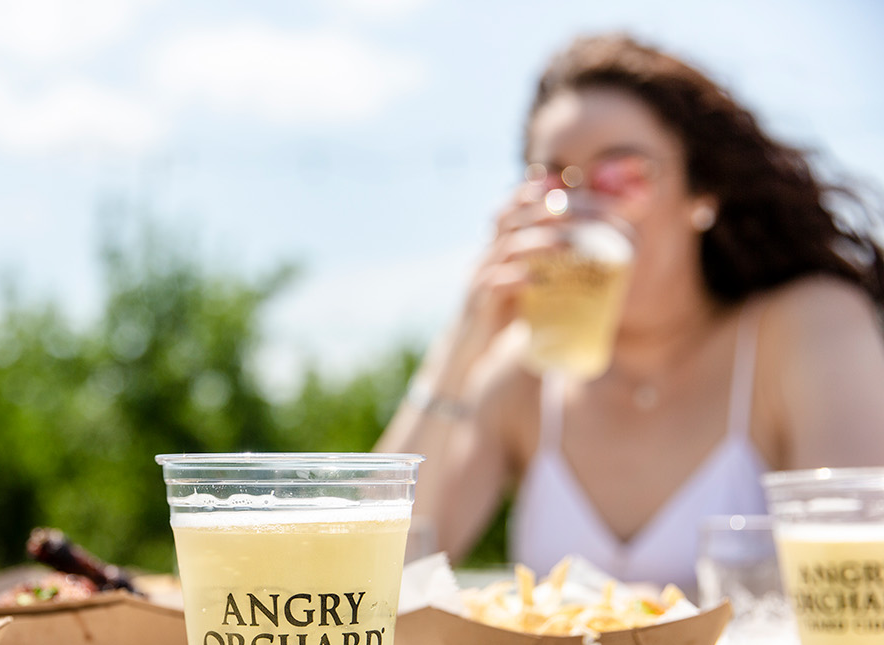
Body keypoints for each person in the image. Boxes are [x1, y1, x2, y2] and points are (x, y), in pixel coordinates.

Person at [376, 33, 884, 592]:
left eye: (622, 175)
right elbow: (371, 576)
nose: (581, 206)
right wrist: (462, 343)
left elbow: (857, 589)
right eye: (551, 181)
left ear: (702, 193)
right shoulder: (522, 374)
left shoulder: (806, 329)